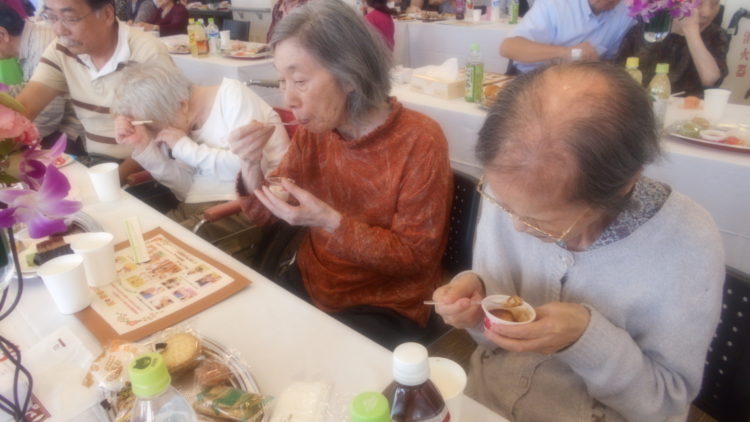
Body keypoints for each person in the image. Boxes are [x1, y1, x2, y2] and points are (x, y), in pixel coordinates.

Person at [433, 62, 724, 421]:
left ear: (624, 185)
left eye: (541, 220)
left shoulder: (686, 242)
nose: (516, 226)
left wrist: (585, 339)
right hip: (484, 401)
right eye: (504, 204)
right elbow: (490, 342)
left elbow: (664, 406)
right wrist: (478, 310)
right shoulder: (511, 185)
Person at [234, 0, 453, 349]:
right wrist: (250, 163)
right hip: (312, 280)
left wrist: (330, 222)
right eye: (282, 81)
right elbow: (263, 215)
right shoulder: (315, 131)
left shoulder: (420, 140)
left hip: (384, 302)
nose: (288, 99)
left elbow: (415, 259)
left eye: (300, 81)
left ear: (350, 76)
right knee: (251, 342)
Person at [112, 63, 289, 249]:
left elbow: (245, 173)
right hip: (197, 210)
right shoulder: (180, 121)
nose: (157, 135)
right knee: (136, 244)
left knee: (157, 249)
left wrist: (185, 148)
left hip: (242, 209)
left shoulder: (232, 96)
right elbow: (186, 191)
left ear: (182, 105)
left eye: (155, 128)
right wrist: (143, 145)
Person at [15, 0, 175, 182]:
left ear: (107, 14)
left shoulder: (146, 53)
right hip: (96, 163)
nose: (59, 30)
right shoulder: (61, 49)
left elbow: (163, 136)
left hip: (145, 171)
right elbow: (25, 108)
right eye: (51, 17)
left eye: (70, 18)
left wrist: (109, 181)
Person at [0, 3, 80, 140]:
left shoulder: (43, 48)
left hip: (73, 133)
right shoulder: (32, 38)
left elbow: (46, 120)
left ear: (2, 34)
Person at [616, 0, 729, 97]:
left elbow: (711, 80)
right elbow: (617, 75)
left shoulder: (715, 35)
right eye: (699, 3)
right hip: (641, 106)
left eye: (715, 4)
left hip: (690, 109)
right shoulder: (646, 29)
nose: (707, 13)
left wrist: (691, 31)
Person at [500, 0, 634, 73]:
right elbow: (508, 48)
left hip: (581, 83)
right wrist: (566, 53)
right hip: (532, 79)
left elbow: (613, 61)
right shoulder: (555, 4)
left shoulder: (625, 14)